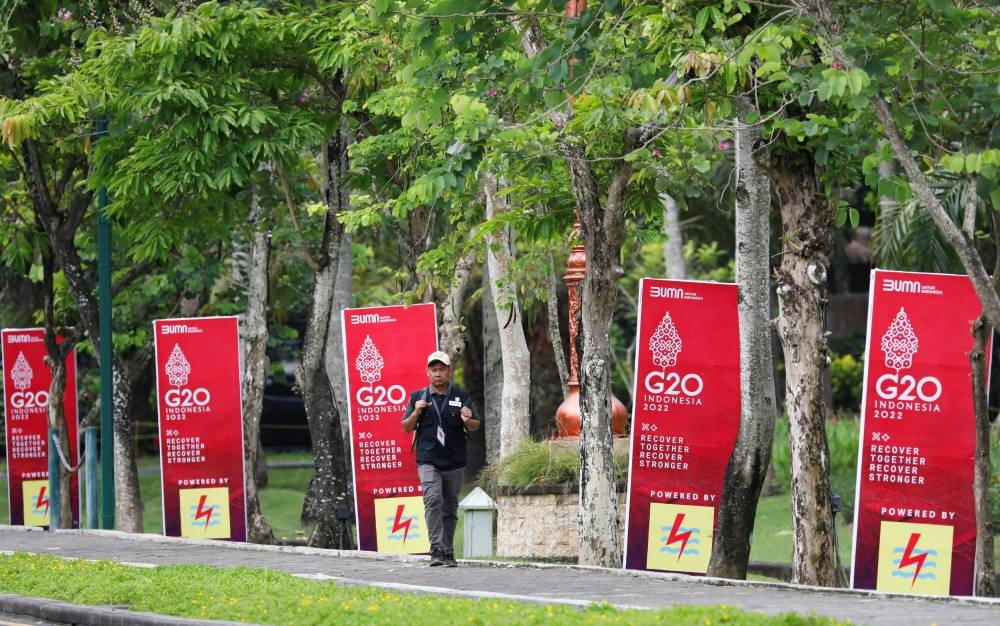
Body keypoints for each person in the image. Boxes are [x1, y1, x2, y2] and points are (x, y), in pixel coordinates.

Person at [401, 350, 480, 567]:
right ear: (427, 372)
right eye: (433, 370)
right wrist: (416, 413)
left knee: (450, 506)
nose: (437, 373)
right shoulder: (417, 397)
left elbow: (475, 425)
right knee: (433, 499)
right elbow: (406, 427)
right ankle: (436, 549)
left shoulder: (461, 396)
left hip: (454, 460)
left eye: (442, 369)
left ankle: (448, 550)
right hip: (428, 459)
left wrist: (468, 419)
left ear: (449, 371)